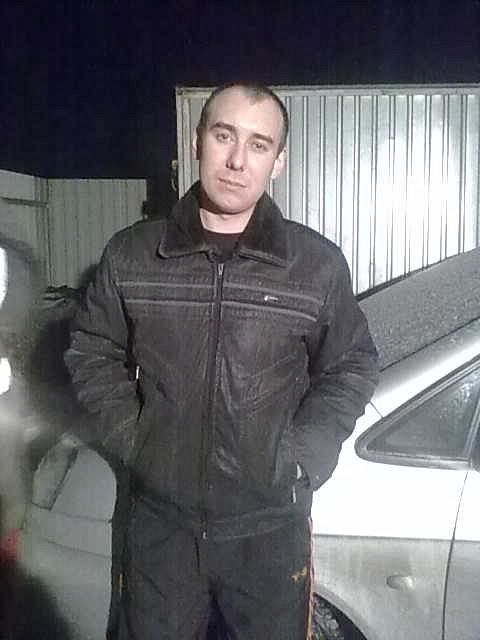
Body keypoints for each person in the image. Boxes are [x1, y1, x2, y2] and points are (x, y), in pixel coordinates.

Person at [65, 83, 379, 640]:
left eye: (259, 145)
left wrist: (302, 455)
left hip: (268, 532)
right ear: (197, 142)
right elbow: (93, 349)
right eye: (223, 136)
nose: (237, 161)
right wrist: (136, 441)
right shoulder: (133, 255)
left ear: (278, 162)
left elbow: (350, 365)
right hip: (161, 529)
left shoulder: (314, 265)